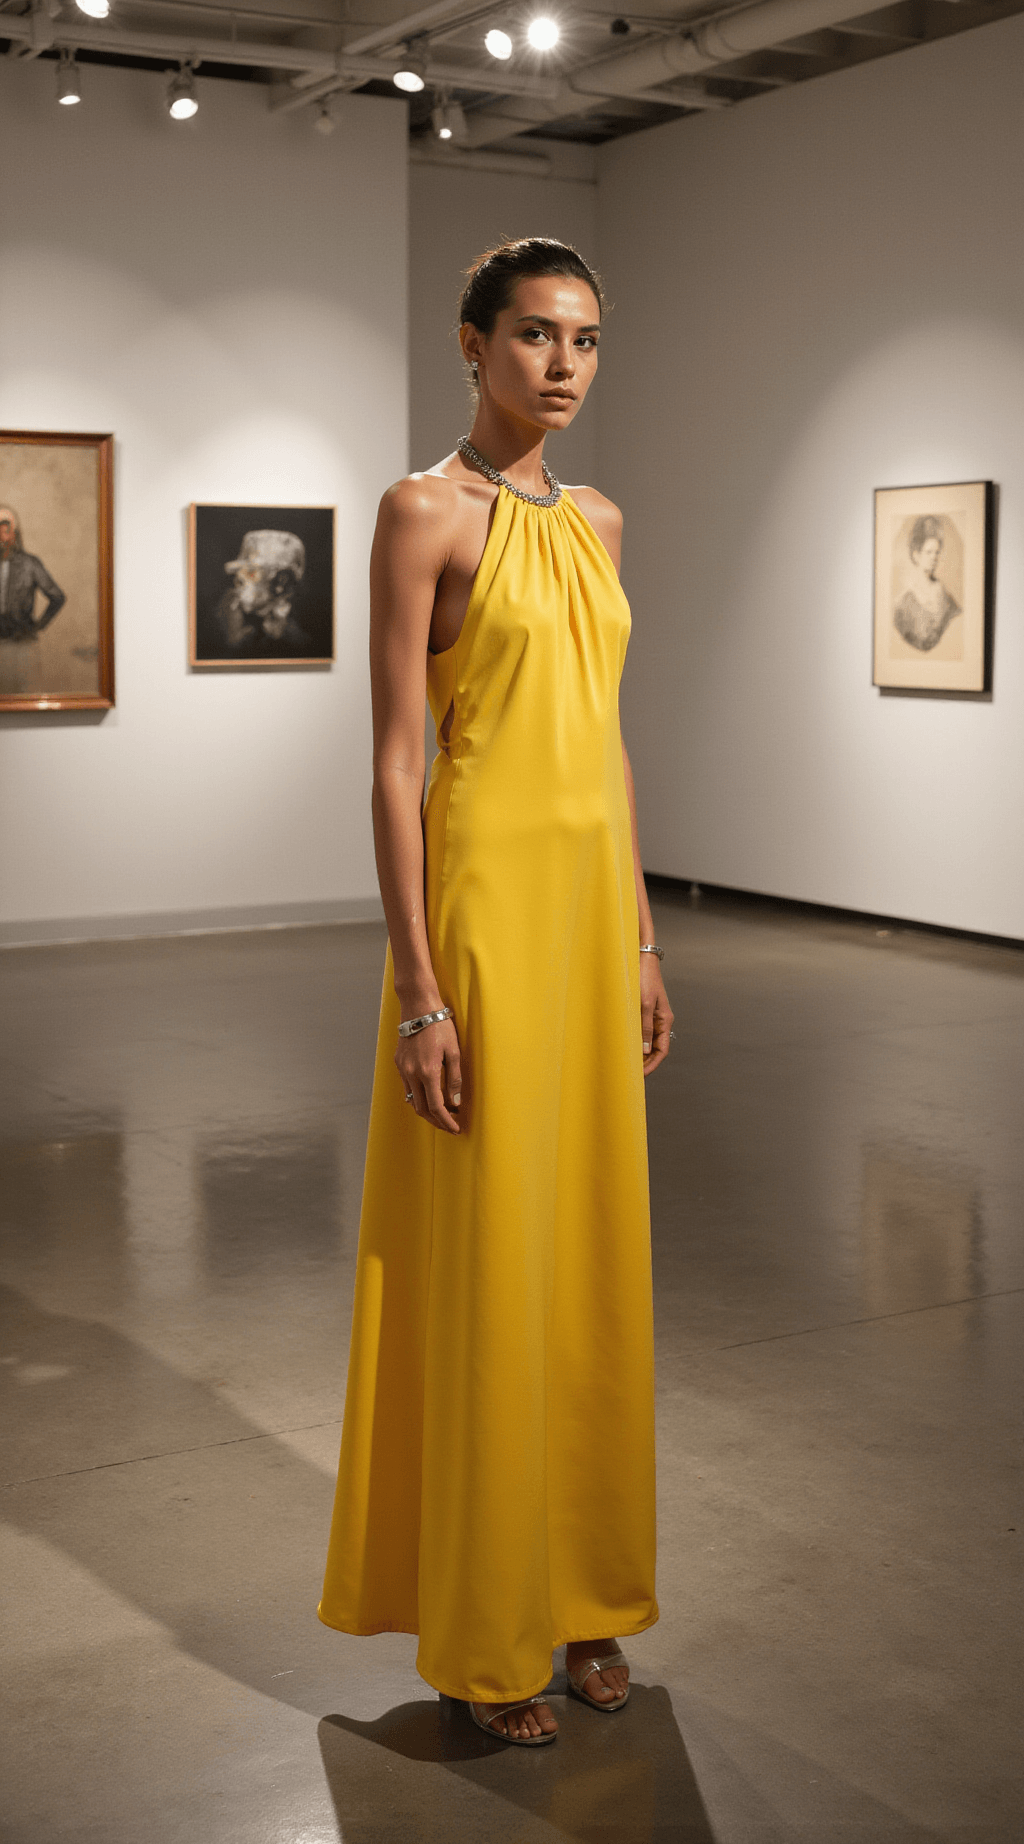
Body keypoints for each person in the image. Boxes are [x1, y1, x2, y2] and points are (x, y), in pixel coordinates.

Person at [319, 238, 673, 1747]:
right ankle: (486, 1632)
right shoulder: (420, 513)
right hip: (479, 924)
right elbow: (399, 761)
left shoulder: (594, 519)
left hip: (590, 928)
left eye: (584, 338)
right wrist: (418, 986)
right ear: (472, 347)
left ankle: (591, 1594)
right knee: (490, 1264)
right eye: (533, 336)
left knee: (588, 1259)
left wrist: (646, 936)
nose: (564, 364)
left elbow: (604, 743)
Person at [0, 504, 66, 695]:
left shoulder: (30, 564)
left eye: (6, 528)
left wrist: (39, 625)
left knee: (24, 699)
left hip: (22, 647)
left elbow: (57, 597)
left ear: (15, 532)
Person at [893, 514, 960, 653]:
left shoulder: (944, 595)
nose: (934, 557)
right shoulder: (904, 602)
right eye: (928, 552)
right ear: (916, 555)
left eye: (936, 552)